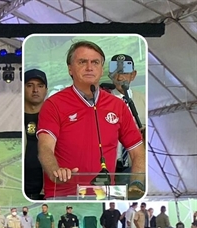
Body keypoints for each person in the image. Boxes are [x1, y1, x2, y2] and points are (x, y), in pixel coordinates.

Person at [36, 40, 145, 199]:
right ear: (70, 69)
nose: (89, 67)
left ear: (101, 70)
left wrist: (137, 183)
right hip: (64, 195)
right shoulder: (53, 104)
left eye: (95, 62)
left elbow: (137, 151)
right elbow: (45, 148)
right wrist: (55, 170)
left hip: (105, 196)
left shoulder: (118, 105)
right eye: (82, 62)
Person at [23, 69, 49, 200]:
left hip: (46, 191)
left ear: (46, 89)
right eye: (29, 85)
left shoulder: (54, 118)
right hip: (20, 187)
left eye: (40, 86)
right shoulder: (13, 118)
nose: (35, 90)